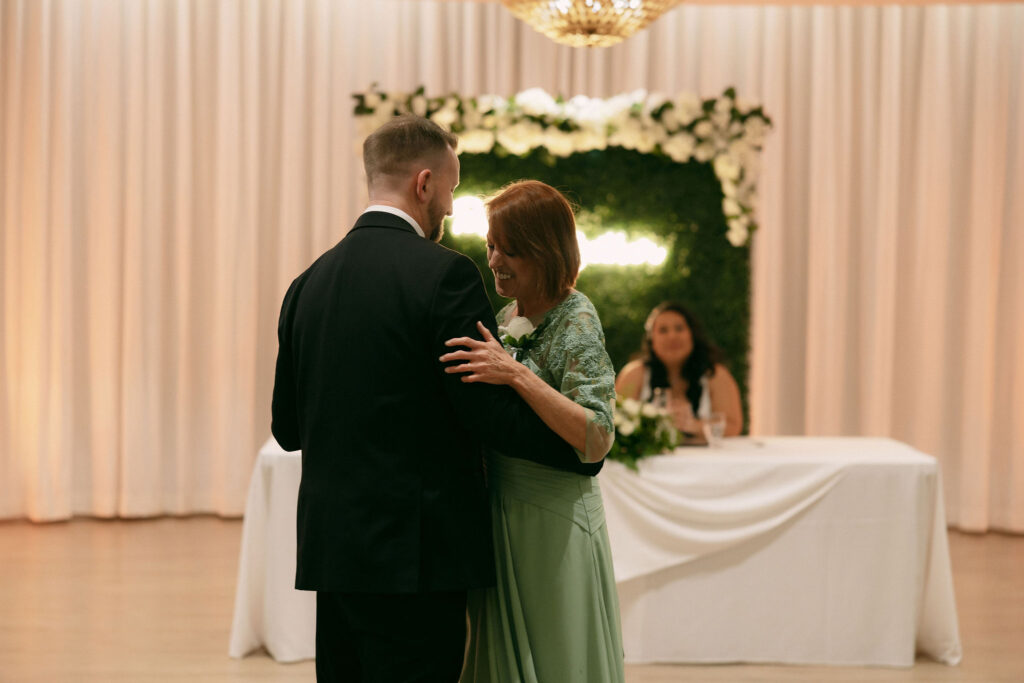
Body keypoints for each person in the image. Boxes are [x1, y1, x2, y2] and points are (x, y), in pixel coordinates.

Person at [270, 116, 583, 683]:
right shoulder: (447, 277)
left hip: (334, 551)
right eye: (452, 190)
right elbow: (486, 412)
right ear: (424, 184)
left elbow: (288, 429)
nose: (448, 207)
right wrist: (580, 446)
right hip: (420, 557)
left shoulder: (307, 284)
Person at [440, 180, 626, 683]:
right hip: (503, 511)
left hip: (553, 518)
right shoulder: (506, 317)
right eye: (490, 245)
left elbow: (597, 436)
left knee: (556, 652)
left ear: (545, 251)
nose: (495, 261)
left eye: (509, 249)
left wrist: (516, 373)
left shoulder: (576, 318)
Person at [615, 302, 743, 438]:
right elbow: (615, 422)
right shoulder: (634, 374)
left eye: (679, 328)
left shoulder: (716, 375)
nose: (672, 337)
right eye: (663, 330)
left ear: (692, 334)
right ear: (651, 340)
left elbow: (733, 426)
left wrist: (694, 425)